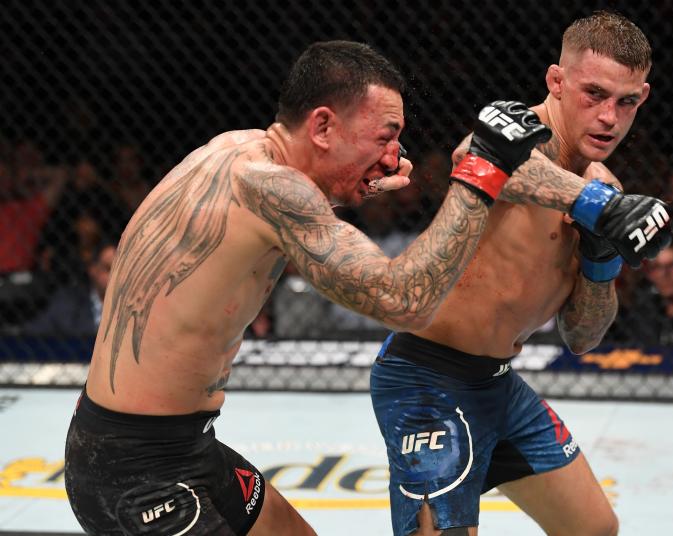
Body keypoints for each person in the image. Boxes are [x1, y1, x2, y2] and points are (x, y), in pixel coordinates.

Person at [64, 40, 564, 536]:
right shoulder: (274, 188)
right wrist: (481, 171)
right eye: (384, 138)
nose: (393, 160)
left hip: (165, 443)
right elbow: (404, 302)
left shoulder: (237, 150)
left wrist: (352, 178)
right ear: (323, 126)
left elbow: (296, 215)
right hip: (138, 475)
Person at [371, 11, 673, 535]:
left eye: (625, 102)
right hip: (425, 380)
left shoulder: (605, 185)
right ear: (556, 82)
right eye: (594, 94)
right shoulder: (521, 140)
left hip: (498, 385)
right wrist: (596, 205)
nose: (608, 117)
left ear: (642, 98)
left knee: (594, 527)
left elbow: (582, 336)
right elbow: (474, 155)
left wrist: (601, 260)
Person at [22, 241, 117, 337]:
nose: (116, 276)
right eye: (108, 268)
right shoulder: (67, 304)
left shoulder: (130, 306)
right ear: (92, 269)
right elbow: (31, 332)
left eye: (120, 270)